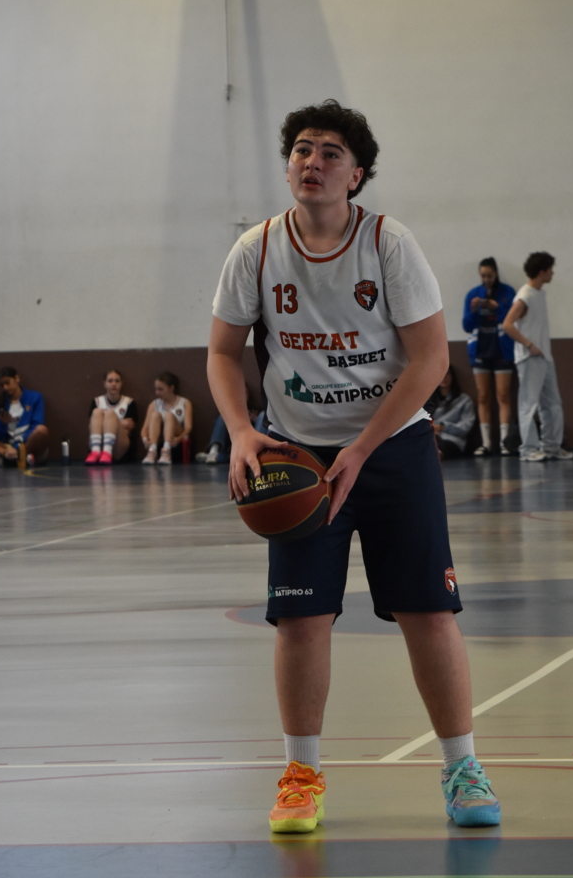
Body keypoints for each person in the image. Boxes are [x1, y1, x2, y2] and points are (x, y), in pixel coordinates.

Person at [208, 98, 500, 833]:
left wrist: (364, 447)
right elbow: (221, 352)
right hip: (296, 455)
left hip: (393, 449)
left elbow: (431, 360)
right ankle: (301, 775)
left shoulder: (388, 244)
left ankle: (463, 768)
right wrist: (241, 432)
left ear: (356, 174)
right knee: (300, 618)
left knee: (428, 611)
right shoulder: (256, 250)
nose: (312, 161)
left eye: (330, 152)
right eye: (302, 149)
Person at [501, 253, 573, 462]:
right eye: (550, 269)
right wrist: (529, 345)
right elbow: (507, 324)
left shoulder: (539, 294)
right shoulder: (525, 295)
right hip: (529, 358)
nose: (552, 273)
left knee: (553, 404)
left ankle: (551, 447)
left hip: (545, 357)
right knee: (528, 404)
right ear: (542, 271)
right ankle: (529, 449)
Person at [462, 258, 515, 455]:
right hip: (480, 350)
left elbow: (514, 319)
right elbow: (466, 326)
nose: (486, 279)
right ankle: (486, 443)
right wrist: (474, 310)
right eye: (483, 276)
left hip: (502, 350)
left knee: (503, 395)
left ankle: (504, 443)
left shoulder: (507, 292)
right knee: (483, 396)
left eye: (490, 276)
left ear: (496, 274)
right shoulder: (473, 294)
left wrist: (497, 308)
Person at [0, 366, 49, 466]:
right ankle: (13, 457)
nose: (5, 387)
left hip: (27, 444)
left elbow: (37, 424)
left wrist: (19, 446)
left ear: (16, 378)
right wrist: (3, 424)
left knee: (42, 430)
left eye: (7, 383)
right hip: (8, 446)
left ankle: (14, 457)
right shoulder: (0, 402)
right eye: (2, 385)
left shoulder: (35, 397)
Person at [196, 390, 265, 464]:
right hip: (230, 447)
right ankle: (213, 452)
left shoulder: (255, 411)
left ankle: (254, 453)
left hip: (249, 445)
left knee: (262, 416)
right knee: (222, 417)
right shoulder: (227, 411)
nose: (239, 396)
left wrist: (254, 419)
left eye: (242, 393)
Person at [85, 369, 138, 464]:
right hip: (99, 442)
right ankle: (95, 452)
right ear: (104, 383)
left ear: (121, 383)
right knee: (97, 412)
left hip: (119, 446)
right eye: (110, 381)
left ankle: (107, 452)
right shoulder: (97, 401)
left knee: (110, 414)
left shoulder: (129, 402)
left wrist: (107, 421)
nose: (114, 384)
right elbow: (91, 427)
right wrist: (118, 423)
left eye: (117, 381)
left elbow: (129, 427)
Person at [141, 372, 192, 465]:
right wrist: (145, 440)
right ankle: (152, 451)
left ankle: (166, 451)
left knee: (169, 415)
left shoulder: (184, 403)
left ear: (171, 388)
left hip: (175, 439)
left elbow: (188, 427)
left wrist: (178, 439)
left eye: (160, 389)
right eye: (156, 389)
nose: (157, 392)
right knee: (155, 414)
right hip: (159, 438)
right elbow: (145, 428)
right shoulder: (154, 404)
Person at [428, 366, 476, 459]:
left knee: (442, 446)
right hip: (431, 437)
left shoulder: (464, 400)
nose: (444, 377)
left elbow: (465, 427)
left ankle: (435, 455)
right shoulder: (429, 401)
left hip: (452, 440)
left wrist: (443, 427)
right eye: (440, 374)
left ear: (452, 376)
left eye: (447, 373)